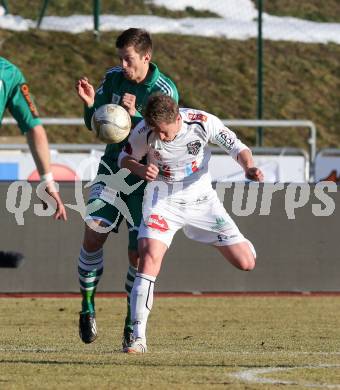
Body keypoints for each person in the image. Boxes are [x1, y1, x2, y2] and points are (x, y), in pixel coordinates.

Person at [118, 95, 264, 353]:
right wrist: (140, 170)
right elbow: (125, 158)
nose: (160, 137)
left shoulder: (203, 122)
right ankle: (138, 337)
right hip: (162, 200)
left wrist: (249, 167)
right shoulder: (144, 130)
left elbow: (237, 148)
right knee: (148, 256)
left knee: (246, 263)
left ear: (177, 119)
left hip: (202, 200)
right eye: (156, 132)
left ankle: (241, 243)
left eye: (164, 132)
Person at [75, 28, 179, 347]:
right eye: (120, 57)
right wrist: (91, 106)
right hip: (112, 170)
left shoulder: (164, 90)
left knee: (137, 255)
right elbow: (101, 125)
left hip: (145, 181)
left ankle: (130, 323)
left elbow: (169, 136)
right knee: (93, 235)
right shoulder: (113, 77)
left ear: (146, 57)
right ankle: (87, 307)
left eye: (129, 59)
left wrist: (137, 118)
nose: (123, 64)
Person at [0, 57, 67, 225]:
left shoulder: (10, 74)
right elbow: (34, 128)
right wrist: (47, 181)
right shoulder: (9, 73)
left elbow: (34, 129)